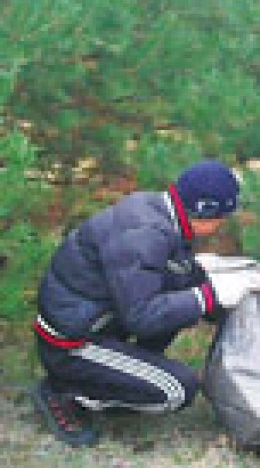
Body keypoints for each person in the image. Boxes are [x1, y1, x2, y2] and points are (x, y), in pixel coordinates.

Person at [31, 159, 240, 447]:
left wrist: (228, 295)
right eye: (223, 217)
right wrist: (207, 296)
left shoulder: (161, 213)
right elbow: (141, 316)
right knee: (177, 389)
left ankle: (124, 374)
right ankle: (66, 392)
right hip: (72, 343)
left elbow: (176, 277)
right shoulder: (144, 233)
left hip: (98, 320)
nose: (223, 225)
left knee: (185, 299)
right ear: (205, 212)